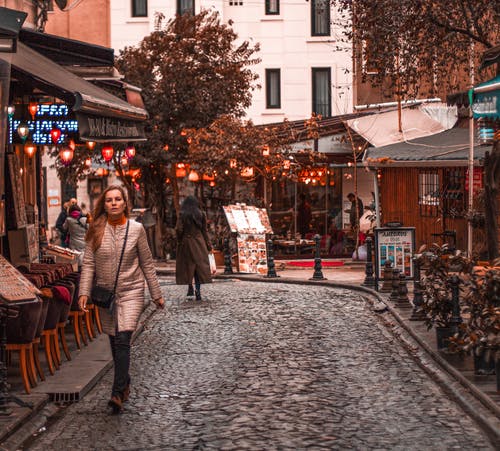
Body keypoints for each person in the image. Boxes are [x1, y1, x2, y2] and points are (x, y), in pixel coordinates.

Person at [77, 185, 165, 414]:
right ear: (103, 205)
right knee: (114, 342)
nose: (114, 203)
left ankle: (116, 393)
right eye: (109, 200)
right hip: (106, 295)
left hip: (131, 290)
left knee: (124, 338)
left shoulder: (136, 230)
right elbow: (88, 264)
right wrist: (84, 292)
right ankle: (124, 382)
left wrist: (156, 294)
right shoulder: (96, 229)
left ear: (125, 203)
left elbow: (147, 263)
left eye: (118, 199)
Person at [175, 196, 212, 301]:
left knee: (188, 267)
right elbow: (205, 231)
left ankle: (190, 287)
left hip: (186, 243)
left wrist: (179, 240)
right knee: (198, 268)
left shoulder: (182, 215)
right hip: (199, 243)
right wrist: (209, 245)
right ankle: (198, 291)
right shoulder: (201, 214)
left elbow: (179, 229)